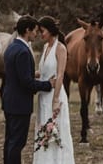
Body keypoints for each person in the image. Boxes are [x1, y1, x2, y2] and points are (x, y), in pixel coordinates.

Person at [3, 15, 55, 164]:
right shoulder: (24, 52)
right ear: (27, 30)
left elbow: (16, 74)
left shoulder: (11, 47)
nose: (36, 34)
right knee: (17, 143)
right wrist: (48, 84)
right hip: (19, 105)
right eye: (34, 31)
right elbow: (27, 83)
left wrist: (32, 74)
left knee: (10, 141)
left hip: (9, 101)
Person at [33, 16, 75, 164]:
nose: (40, 34)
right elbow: (42, 73)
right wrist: (26, 74)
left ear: (50, 30)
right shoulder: (45, 47)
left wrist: (56, 100)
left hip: (55, 95)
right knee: (43, 132)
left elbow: (60, 75)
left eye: (42, 31)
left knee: (56, 133)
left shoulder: (60, 48)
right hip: (43, 96)